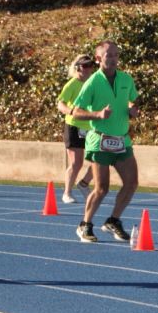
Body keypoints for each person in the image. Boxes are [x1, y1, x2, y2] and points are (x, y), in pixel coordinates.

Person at [68, 39, 140, 243]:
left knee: (132, 183)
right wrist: (98, 115)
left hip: (122, 139)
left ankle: (113, 221)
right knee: (102, 188)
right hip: (100, 140)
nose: (114, 59)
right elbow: (75, 112)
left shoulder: (126, 79)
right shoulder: (92, 82)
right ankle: (85, 225)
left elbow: (132, 99)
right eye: (109, 55)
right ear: (99, 59)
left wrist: (132, 108)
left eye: (117, 55)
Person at [56, 53, 96, 204]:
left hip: (91, 127)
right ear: (78, 67)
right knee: (76, 163)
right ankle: (67, 193)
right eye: (85, 66)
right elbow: (61, 103)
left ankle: (84, 184)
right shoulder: (72, 84)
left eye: (90, 66)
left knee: (100, 160)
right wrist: (71, 111)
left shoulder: (93, 83)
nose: (88, 69)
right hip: (74, 126)